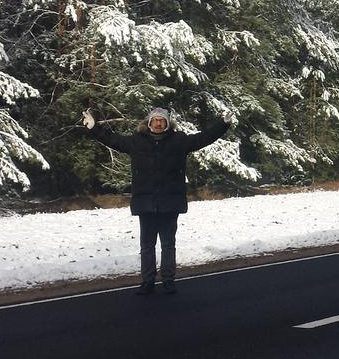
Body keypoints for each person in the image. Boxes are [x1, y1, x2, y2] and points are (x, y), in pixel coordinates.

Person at [81, 105, 234, 294]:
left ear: (168, 124)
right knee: (147, 246)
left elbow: (203, 138)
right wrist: (94, 128)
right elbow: (114, 140)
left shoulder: (179, 141)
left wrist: (223, 124)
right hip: (145, 202)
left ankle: (168, 279)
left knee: (168, 245)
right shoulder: (136, 142)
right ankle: (148, 281)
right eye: (156, 120)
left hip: (170, 202)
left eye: (162, 121)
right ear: (149, 123)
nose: (159, 123)